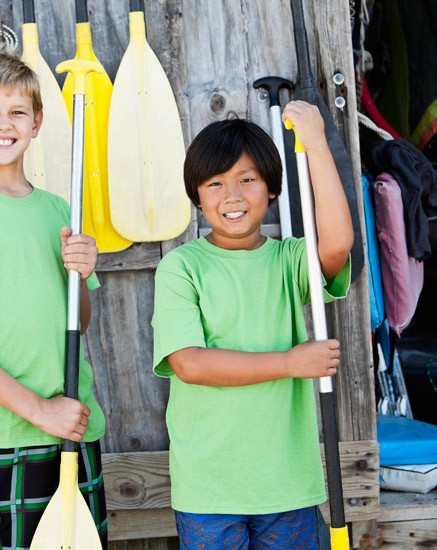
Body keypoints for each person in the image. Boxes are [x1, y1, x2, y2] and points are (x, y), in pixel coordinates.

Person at [151, 101, 354, 548]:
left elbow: (338, 243)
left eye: (247, 179)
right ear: (197, 195)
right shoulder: (182, 268)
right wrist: (289, 362)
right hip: (210, 486)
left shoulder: (289, 261)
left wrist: (315, 145)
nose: (233, 195)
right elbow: (190, 364)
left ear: (272, 188)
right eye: (216, 183)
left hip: (286, 480)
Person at [0, 52, 108, 549]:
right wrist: (39, 411)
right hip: (5, 438)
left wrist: (83, 271)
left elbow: (79, 318)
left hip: (74, 424)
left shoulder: (57, 209)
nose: (3, 124)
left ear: (37, 123)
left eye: (17, 112)